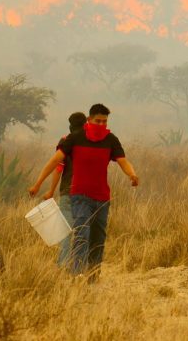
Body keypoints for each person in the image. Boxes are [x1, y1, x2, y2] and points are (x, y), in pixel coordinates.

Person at [28, 104, 139, 281]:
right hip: (79, 196)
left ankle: (93, 276)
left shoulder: (111, 140)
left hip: (102, 198)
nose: (101, 125)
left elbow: (123, 161)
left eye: (104, 121)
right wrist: (38, 183)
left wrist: (132, 175)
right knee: (81, 233)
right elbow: (54, 162)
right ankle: (77, 274)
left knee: (98, 238)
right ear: (89, 120)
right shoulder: (75, 138)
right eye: (98, 121)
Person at [41, 111, 86, 267]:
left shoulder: (65, 142)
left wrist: (50, 191)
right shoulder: (91, 143)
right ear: (85, 125)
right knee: (83, 232)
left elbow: (59, 168)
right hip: (86, 195)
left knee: (65, 232)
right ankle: (80, 266)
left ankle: (63, 265)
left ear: (70, 126)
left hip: (67, 193)